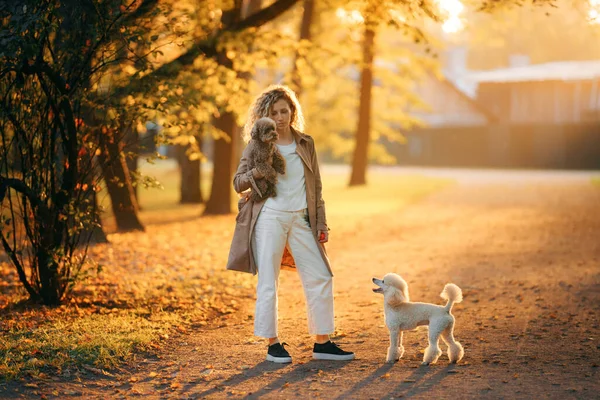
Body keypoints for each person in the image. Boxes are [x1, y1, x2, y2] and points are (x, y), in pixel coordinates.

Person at [226, 85, 355, 363]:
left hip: (302, 218)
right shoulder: (257, 145)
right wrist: (259, 171)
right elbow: (238, 183)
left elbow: (316, 187)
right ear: (265, 115)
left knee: (321, 275)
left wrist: (322, 223)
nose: (281, 117)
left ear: (292, 112)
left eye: (285, 111)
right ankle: (272, 343)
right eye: (274, 112)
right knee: (269, 281)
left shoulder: (305, 143)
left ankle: (323, 342)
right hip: (269, 217)